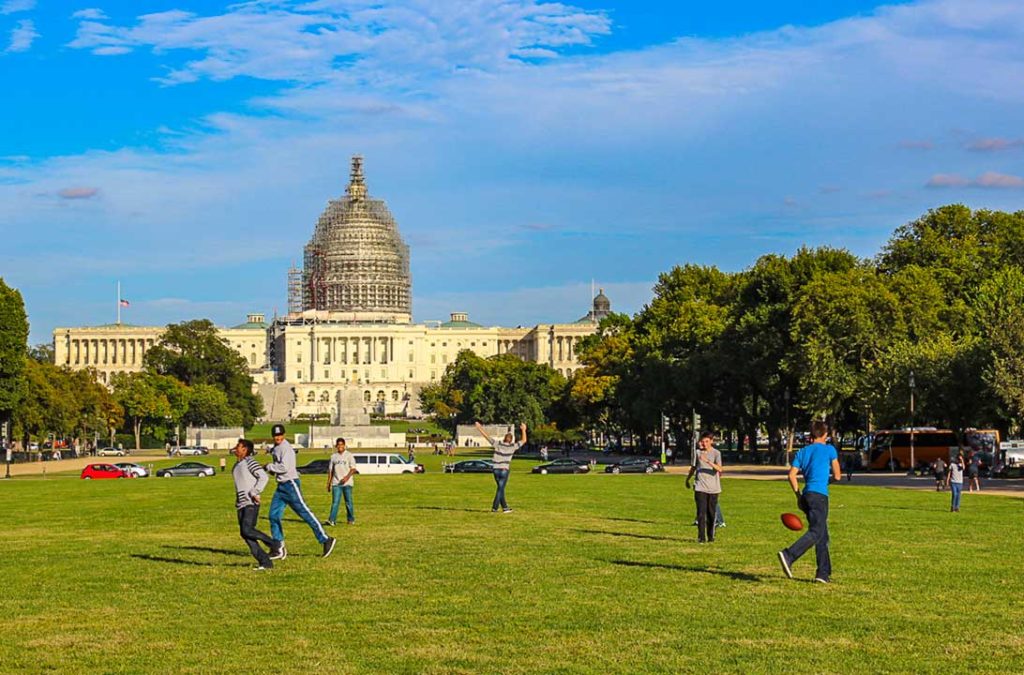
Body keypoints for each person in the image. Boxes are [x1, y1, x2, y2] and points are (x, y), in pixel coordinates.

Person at [778, 420, 841, 584]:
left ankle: (823, 573)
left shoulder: (803, 452)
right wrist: (826, 482)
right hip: (820, 496)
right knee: (816, 532)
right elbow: (838, 475)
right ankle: (789, 555)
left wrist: (798, 496)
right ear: (826, 435)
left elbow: (791, 475)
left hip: (806, 495)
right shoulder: (829, 450)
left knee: (822, 534)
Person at [265, 424, 336, 559]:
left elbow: (284, 467)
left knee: (305, 513)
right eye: (275, 435)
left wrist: (269, 466)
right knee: (273, 516)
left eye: (280, 435)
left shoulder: (286, 448)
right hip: (281, 486)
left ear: (284, 435)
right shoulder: (275, 449)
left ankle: (326, 539)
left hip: (290, 484)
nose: (277, 437)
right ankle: (278, 546)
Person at [231, 439, 282, 571]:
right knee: (246, 534)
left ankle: (275, 544)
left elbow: (263, 477)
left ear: (245, 449)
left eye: (239, 446)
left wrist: (255, 492)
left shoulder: (250, 461)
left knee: (247, 530)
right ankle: (265, 562)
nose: (236, 448)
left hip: (250, 503)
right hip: (241, 504)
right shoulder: (236, 465)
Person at [475, 421, 526, 513]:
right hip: (504, 469)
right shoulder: (513, 446)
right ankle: (494, 507)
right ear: (511, 440)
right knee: (500, 488)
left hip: (495, 469)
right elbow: (524, 440)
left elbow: (487, 437)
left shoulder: (497, 444)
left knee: (500, 488)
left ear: (504, 439)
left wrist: (479, 428)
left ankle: (505, 507)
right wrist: (524, 430)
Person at [685, 431, 722, 543]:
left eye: (707, 441)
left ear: (711, 441)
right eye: (703, 441)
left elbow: (720, 469)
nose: (704, 444)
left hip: (713, 488)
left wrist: (708, 462)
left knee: (711, 514)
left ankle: (711, 536)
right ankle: (701, 538)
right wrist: (687, 479)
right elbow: (693, 467)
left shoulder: (716, 453)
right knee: (701, 513)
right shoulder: (697, 453)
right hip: (700, 487)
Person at [326, 437, 357, 526]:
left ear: (344, 445)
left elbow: (353, 469)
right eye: (338, 445)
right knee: (335, 502)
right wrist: (328, 483)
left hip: (347, 483)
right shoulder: (333, 457)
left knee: (348, 502)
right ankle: (332, 520)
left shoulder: (349, 455)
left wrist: (346, 478)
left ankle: (350, 519)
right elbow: (331, 471)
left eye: (342, 445)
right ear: (336, 446)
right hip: (336, 483)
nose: (340, 446)